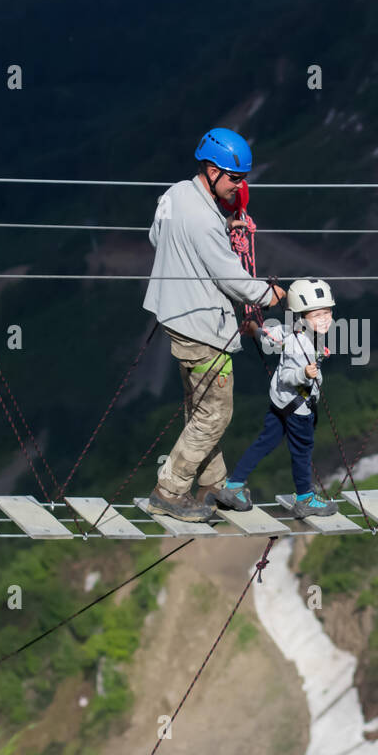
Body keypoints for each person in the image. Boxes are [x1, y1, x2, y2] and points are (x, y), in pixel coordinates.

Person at [142, 128, 285, 522]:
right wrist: (269, 294)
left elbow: (158, 237)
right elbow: (233, 281)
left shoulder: (173, 196)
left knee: (200, 407)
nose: (239, 188)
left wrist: (221, 234)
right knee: (214, 413)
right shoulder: (206, 222)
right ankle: (169, 491)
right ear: (211, 170)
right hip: (205, 329)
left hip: (176, 318)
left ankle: (213, 485)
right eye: (235, 179)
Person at [214, 278, 339, 518]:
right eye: (317, 315)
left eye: (327, 313)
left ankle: (233, 486)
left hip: (280, 403)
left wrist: (255, 331)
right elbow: (288, 375)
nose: (324, 319)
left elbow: (274, 336)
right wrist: (304, 373)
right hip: (298, 407)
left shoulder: (295, 329)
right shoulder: (300, 343)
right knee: (302, 451)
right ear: (301, 316)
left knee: (265, 442)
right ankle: (305, 499)